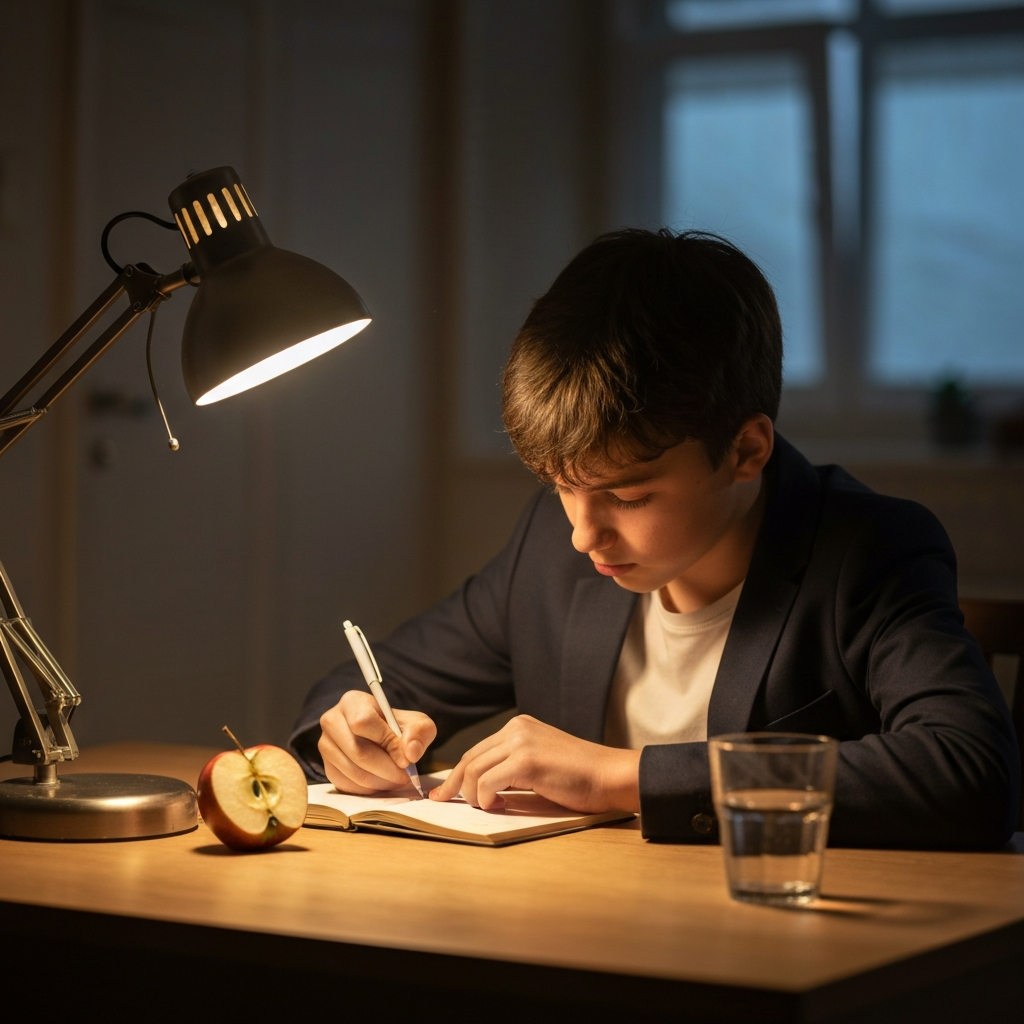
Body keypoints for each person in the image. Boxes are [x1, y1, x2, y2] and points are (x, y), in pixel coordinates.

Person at [290, 228, 1020, 849]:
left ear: (746, 451)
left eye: (628, 495)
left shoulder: (868, 551)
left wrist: (623, 776)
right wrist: (353, 731)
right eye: (559, 487)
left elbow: (971, 771)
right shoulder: (553, 546)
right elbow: (363, 682)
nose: (581, 533)